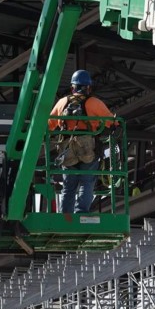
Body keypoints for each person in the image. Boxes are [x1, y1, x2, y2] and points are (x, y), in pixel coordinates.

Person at [48, 69, 117, 214]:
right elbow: (112, 123)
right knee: (87, 182)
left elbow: (49, 125)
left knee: (69, 185)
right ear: (88, 87)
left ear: (72, 87)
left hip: (67, 148)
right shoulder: (94, 103)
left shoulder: (62, 102)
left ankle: (66, 215)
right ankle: (81, 212)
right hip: (87, 147)